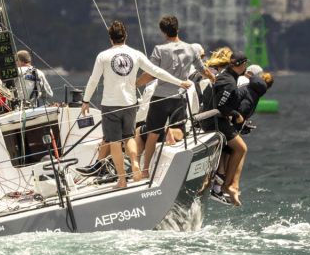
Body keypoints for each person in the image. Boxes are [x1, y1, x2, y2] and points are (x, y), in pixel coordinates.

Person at [80, 21, 192, 188]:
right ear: (125, 36)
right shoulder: (136, 54)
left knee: (115, 142)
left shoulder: (103, 56)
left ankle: (122, 180)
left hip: (110, 105)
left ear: (110, 38)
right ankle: (135, 163)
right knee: (129, 137)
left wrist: (85, 100)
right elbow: (156, 71)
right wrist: (180, 82)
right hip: (130, 103)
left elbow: (93, 80)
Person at [136, 16, 215, 179]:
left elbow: (151, 74)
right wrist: (213, 78)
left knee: (152, 134)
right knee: (180, 131)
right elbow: (202, 70)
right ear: (178, 29)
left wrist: (135, 84)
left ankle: (145, 170)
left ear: (163, 32)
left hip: (159, 97)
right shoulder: (191, 49)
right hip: (178, 97)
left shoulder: (159, 49)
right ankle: (170, 132)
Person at [207, 51, 249, 206]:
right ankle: (227, 185)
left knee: (233, 148)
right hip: (214, 121)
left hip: (218, 119)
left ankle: (223, 183)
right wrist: (235, 114)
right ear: (242, 65)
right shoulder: (229, 82)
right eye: (245, 64)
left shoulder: (228, 75)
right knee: (241, 148)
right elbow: (220, 106)